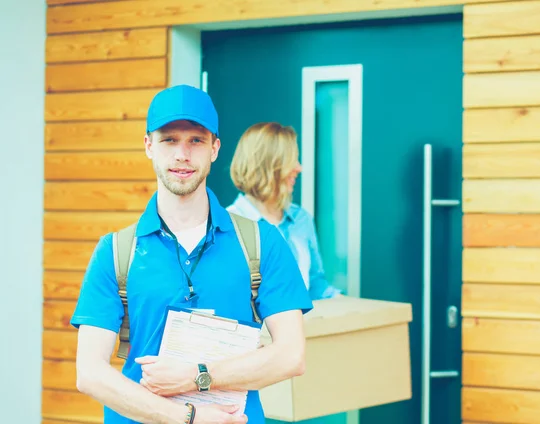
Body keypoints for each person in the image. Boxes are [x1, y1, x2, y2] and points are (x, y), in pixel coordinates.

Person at [71, 85, 313, 424]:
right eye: (169, 140)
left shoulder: (260, 242)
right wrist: (187, 417)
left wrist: (198, 375)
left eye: (196, 140)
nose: (182, 154)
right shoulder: (115, 252)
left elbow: (291, 355)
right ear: (148, 146)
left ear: (215, 148)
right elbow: (90, 373)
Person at [227, 122, 342, 301]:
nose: (299, 168)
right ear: (268, 165)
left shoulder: (301, 218)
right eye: (291, 160)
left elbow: (316, 285)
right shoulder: (227, 225)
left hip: (306, 327)